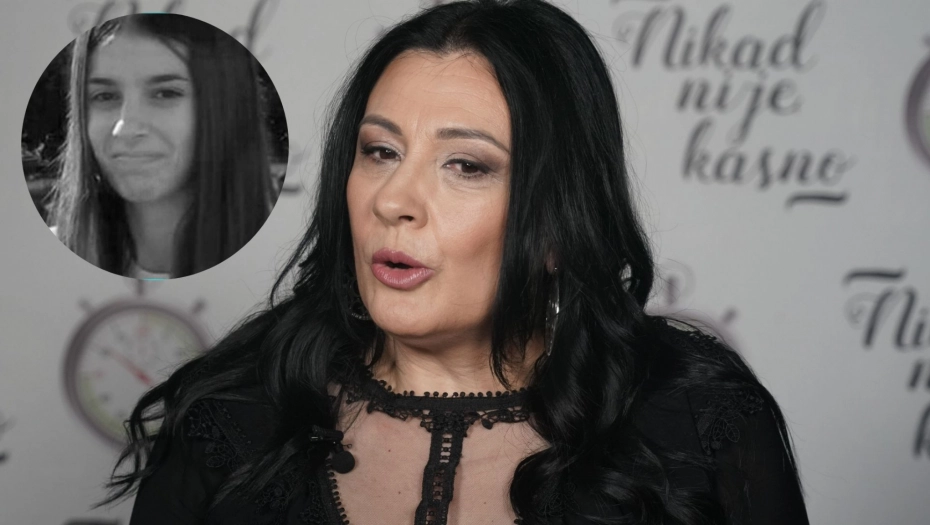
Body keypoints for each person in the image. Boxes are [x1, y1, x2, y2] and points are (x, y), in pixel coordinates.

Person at [104, 1, 809, 523]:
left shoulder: (699, 422)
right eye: (380, 151)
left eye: (466, 165)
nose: (393, 201)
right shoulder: (231, 417)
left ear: (561, 219)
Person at [47, 13, 280, 279]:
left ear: (227, 108)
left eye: (166, 93)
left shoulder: (283, 268)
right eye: (105, 96)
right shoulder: (39, 263)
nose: (125, 128)